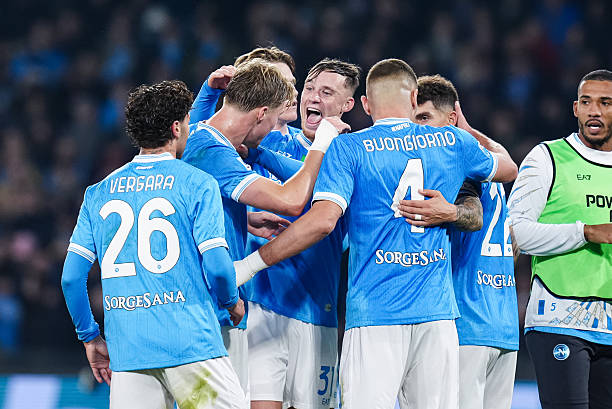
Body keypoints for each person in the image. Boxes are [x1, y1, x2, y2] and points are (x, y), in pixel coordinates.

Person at [234, 58, 518, 409]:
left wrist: (250, 264)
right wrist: (464, 135)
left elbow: (322, 222)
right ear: (413, 98)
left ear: (366, 105)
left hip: (375, 314)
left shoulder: (349, 148)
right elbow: (508, 168)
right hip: (436, 317)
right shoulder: (454, 142)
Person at [190, 49, 360, 409]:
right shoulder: (261, 139)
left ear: (348, 105)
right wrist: (208, 94)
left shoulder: (347, 152)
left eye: (325, 92)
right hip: (260, 306)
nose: (307, 96)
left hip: (317, 307)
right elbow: (193, 147)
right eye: (308, 88)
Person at [61, 80, 246, 408]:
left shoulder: (98, 193)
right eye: (187, 123)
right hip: (191, 345)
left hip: (129, 353)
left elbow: (71, 279)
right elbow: (218, 267)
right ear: (176, 127)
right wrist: (232, 302)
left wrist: (90, 337)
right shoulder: (197, 183)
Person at [400, 74, 519, 409]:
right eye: (413, 120)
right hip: (503, 324)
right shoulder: (490, 164)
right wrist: (464, 127)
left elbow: (474, 217)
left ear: (451, 118)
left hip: (465, 323)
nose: (417, 129)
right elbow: (507, 160)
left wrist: (449, 212)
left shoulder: (450, 167)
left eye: (424, 118)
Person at [508, 69, 612, 409]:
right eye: (587, 102)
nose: (594, 111)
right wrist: (585, 232)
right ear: (575, 109)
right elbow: (515, 231)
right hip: (559, 319)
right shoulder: (547, 157)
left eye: (605, 103)